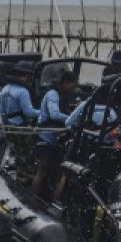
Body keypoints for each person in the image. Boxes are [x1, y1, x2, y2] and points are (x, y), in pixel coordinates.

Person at [31, 70, 77, 198]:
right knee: (42, 169)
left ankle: (45, 196)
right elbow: (54, 114)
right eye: (73, 86)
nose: (74, 89)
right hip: (46, 137)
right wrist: (73, 119)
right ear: (65, 82)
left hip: (55, 139)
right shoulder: (53, 94)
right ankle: (33, 198)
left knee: (52, 169)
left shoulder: (62, 95)